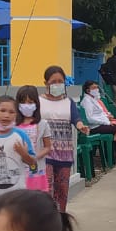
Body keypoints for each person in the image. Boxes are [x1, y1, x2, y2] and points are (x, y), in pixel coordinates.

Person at [39, 66, 90, 212]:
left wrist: (81, 126)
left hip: (64, 153)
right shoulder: (38, 102)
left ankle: (60, 218)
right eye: (53, 81)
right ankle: (47, 218)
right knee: (47, 188)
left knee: (62, 190)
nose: (57, 84)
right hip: (44, 152)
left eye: (60, 81)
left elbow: (76, 118)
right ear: (46, 83)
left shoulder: (68, 102)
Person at [80, 80, 116, 160]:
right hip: (95, 127)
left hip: (102, 123)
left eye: (97, 87)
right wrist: (106, 122)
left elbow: (101, 113)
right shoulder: (87, 101)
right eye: (94, 88)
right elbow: (89, 118)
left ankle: (114, 151)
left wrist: (109, 118)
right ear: (88, 90)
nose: (97, 89)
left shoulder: (94, 99)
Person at [14, 86, 52, 194]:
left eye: (30, 102)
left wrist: (35, 157)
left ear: (36, 104)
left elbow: (48, 147)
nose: (26, 105)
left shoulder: (43, 124)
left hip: (36, 171)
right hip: (17, 171)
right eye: (23, 102)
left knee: (36, 198)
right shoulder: (13, 125)